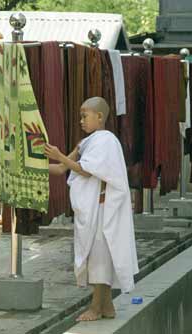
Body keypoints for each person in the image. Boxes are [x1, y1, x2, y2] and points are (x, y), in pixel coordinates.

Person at [45, 97, 139, 321]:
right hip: (92, 208)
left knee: (99, 258)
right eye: (80, 116)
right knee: (99, 258)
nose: (80, 121)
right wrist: (29, 168)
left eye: (84, 116)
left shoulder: (106, 140)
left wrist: (59, 156)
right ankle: (107, 307)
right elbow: (60, 169)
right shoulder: (85, 143)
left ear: (99, 117)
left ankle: (96, 308)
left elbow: (86, 171)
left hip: (104, 209)